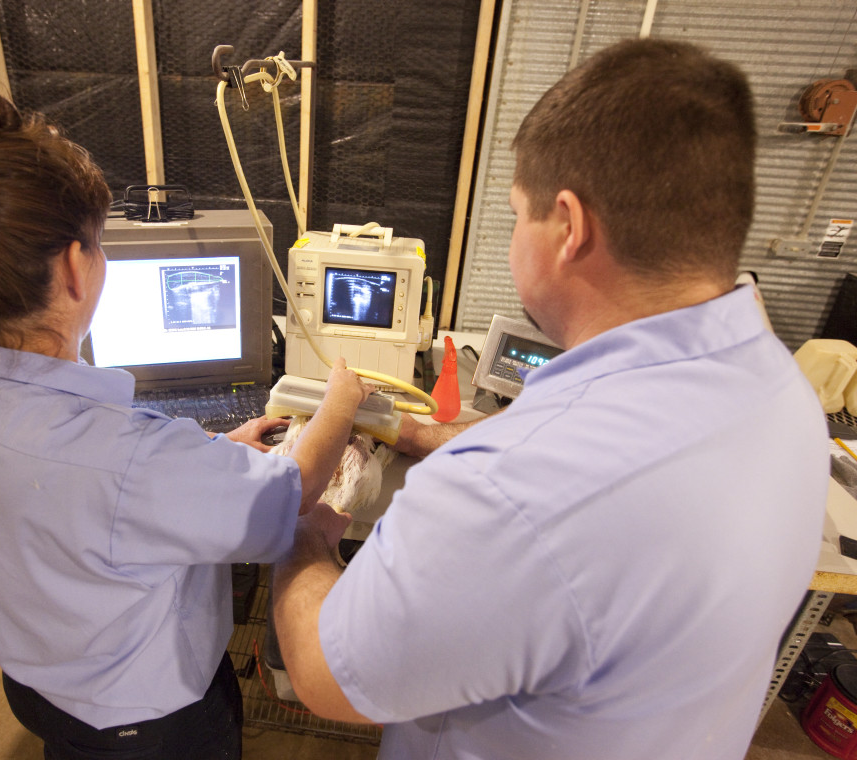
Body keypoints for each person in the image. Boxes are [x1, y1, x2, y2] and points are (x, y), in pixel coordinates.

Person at [272, 38, 830, 760]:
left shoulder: (504, 487)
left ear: (568, 227)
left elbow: (324, 675)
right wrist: (416, 434)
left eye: (514, 215)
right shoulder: (784, 393)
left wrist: (303, 533)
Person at [0, 87, 371, 760]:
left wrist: (213, 450)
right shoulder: (125, 456)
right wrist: (343, 401)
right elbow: (285, 495)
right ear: (72, 270)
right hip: (150, 721)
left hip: (38, 686)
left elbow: (69, 505)